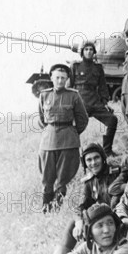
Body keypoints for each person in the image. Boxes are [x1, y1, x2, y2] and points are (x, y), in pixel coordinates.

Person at [51, 144, 121, 254]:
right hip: (102, 216)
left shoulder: (115, 173)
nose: (93, 163)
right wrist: (79, 222)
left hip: (117, 216)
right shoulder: (90, 181)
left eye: (96, 158)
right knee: (73, 223)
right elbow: (81, 205)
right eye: (89, 160)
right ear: (84, 163)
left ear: (103, 158)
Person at [38, 64, 89, 213]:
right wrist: (49, 131)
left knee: (62, 179)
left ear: (67, 79)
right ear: (51, 78)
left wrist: (72, 133)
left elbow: (82, 118)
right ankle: (45, 208)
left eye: (63, 78)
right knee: (47, 179)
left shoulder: (74, 95)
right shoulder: (44, 95)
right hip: (48, 141)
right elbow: (41, 118)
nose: (60, 81)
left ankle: (56, 208)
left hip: (68, 141)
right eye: (57, 78)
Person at [51, 203, 128, 254]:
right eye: (100, 225)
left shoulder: (124, 249)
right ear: (90, 232)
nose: (106, 230)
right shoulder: (90, 248)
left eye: (110, 223)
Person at [70, 42, 119, 156]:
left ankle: (107, 150)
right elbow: (69, 86)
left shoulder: (98, 67)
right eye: (86, 49)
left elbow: (102, 86)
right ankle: (73, 152)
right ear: (82, 52)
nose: (89, 51)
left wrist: (105, 102)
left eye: (91, 49)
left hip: (95, 102)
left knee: (112, 120)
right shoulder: (75, 66)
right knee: (73, 128)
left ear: (94, 52)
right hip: (80, 103)